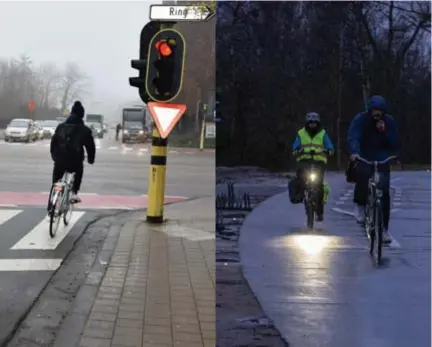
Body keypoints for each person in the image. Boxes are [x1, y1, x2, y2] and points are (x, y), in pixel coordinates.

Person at [347, 95, 398, 243]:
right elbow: (353, 136)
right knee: (363, 177)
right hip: (364, 155)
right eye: (375, 110)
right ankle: (360, 204)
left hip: (382, 158)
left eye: (380, 111)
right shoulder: (361, 120)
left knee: (385, 192)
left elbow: (394, 142)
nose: (377, 114)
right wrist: (355, 152)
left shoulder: (389, 122)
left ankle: (384, 229)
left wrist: (385, 133)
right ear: (370, 110)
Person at [49, 101, 95, 207]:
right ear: (82, 115)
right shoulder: (84, 130)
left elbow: (54, 141)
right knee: (78, 171)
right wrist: (90, 159)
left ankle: (53, 199)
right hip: (75, 160)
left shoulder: (61, 126)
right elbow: (90, 146)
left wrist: (54, 155)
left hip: (59, 159)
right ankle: (74, 192)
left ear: (71, 113)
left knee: (56, 179)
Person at [292, 112, 334, 221]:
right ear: (307, 123)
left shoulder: (323, 134)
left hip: (318, 162)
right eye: (310, 123)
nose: (312, 125)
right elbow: (294, 148)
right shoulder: (301, 133)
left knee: (319, 186)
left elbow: (330, 147)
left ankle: (319, 212)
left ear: (318, 123)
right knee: (301, 178)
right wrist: (298, 151)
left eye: (314, 123)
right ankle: (300, 195)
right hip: (304, 161)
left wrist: (329, 151)